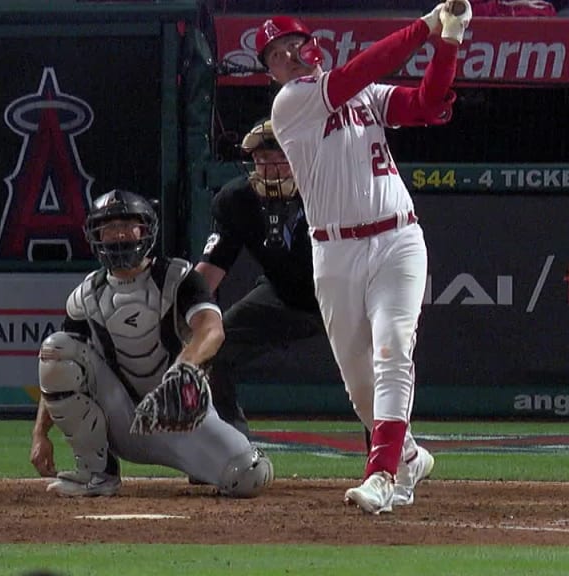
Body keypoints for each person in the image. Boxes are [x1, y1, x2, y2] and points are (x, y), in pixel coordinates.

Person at [256, 0, 472, 514]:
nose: (288, 56)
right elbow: (363, 68)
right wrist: (425, 26)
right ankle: (410, 455)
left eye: (292, 44)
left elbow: (428, 102)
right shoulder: (291, 103)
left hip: (397, 238)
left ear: (311, 45)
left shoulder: (365, 96)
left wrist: (449, 41)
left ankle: (380, 474)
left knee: (393, 348)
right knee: (360, 387)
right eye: (276, 55)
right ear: (271, 72)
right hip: (334, 251)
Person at [29, 189, 274, 498]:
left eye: (127, 225)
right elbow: (57, 367)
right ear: (95, 235)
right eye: (109, 227)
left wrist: (184, 367)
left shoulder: (179, 276)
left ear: (146, 230)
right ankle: (97, 472)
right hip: (125, 421)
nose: (118, 234)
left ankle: (201, 462)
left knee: (250, 476)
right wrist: (40, 433)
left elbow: (212, 330)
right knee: (57, 348)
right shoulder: (85, 296)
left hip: (184, 418)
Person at [196, 119, 326, 439]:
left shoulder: (332, 188)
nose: (266, 167)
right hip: (284, 295)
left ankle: (385, 464)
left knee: (375, 364)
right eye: (260, 159)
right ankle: (229, 449)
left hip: (344, 296)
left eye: (276, 157)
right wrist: (180, 313)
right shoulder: (238, 200)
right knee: (215, 346)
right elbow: (210, 270)